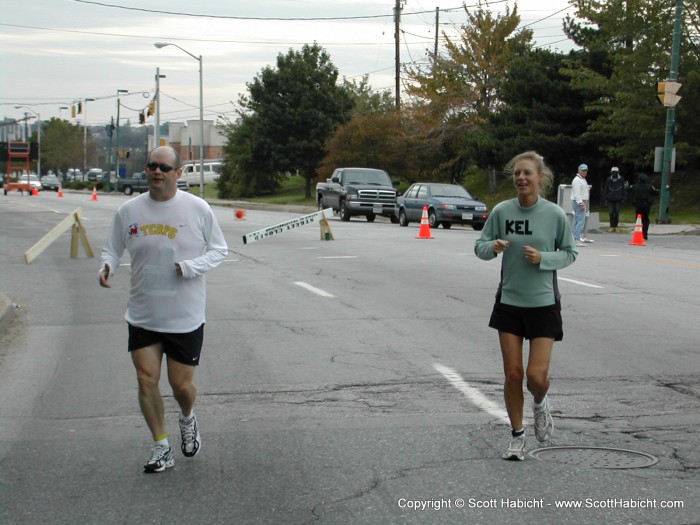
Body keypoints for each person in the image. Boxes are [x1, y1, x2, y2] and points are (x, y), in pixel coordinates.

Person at [99, 146, 228, 473]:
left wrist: (191, 266)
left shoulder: (197, 209)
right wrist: (107, 266)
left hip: (184, 315)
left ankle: (187, 418)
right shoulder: (129, 211)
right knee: (145, 378)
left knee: (181, 386)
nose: (157, 172)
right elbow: (112, 248)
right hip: (143, 312)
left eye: (165, 168)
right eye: (153, 166)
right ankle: (161, 446)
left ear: (178, 173)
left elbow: (219, 250)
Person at [475, 151, 578, 461]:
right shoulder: (502, 212)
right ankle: (517, 436)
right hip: (509, 303)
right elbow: (480, 247)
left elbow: (570, 253)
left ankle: (540, 402)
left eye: (527, 174)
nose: (521, 178)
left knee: (535, 377)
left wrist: (545, 259)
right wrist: (492, 247)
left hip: (544, 304)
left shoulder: (554, 215)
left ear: (540, 178)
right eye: (518, 174)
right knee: (512, 373)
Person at [627, 172, 659, 240]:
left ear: (639, 180)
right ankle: (645, 235)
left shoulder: (635, 186)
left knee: (638, 219)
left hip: (638, 204)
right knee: (645, 219)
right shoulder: (650, 187)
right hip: (646, 204)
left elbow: (628, 190)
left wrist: (626, 186)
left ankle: (638, 233)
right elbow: (656, 193)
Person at [571, 163, 593, 246]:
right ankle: (576, 239)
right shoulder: (577, 180)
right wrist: (580, 202)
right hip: (580, 202)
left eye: (586, 170)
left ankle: (576, 237)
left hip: (582, 201)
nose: (585, 172)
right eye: (583, 170)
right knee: (580, 221)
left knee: (578, 220)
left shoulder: (582, 179)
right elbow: (577, 193)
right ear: (579, 170)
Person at [603, 167, 627, 232]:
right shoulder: (608, 179)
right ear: (611, 172)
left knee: (617, 212)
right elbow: (606, 189)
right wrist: (605, 198)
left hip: (618, 199)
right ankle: (611, 226)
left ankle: (616, 226)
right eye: (613, 172)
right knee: (611, 213)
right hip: (610, 198)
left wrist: (623, 198)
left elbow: (623, 189)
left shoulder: (621, 179)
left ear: (618, 173)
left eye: (616, 172)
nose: (614, 173)